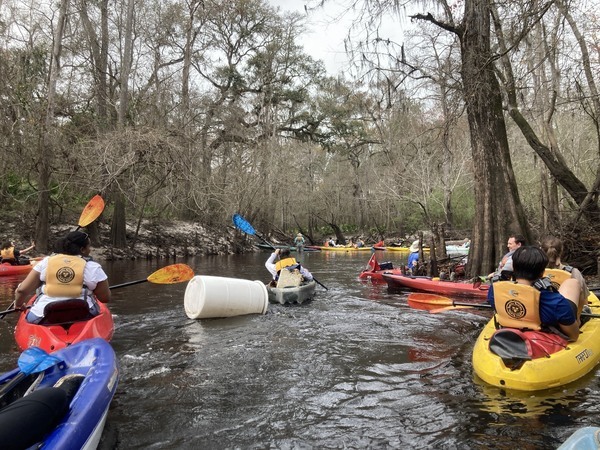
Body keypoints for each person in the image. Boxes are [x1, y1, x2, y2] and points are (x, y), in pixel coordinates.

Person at [487, 246, 583, 342]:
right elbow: (573, 336)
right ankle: (578, 321)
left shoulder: (494, 290)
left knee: (571, 284)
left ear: (514, 268)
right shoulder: (555, 301)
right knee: (573, 283)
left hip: (509, 330)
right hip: (546, 338)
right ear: (542, 273)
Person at [14, 231, 110, 323]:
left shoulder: (45, 262)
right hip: (84, 315)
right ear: (82, 250)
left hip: (42, 316)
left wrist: (18, 304)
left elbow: (21, 290)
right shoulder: (93, 267)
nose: (90, 249)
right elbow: (104, 298)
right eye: (89, 246)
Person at [541, 236, 590, 307]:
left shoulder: (535, 273)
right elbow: (584, 303)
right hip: (570, 316)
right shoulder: (573, 272)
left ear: (541, 251)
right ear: (561, 251)